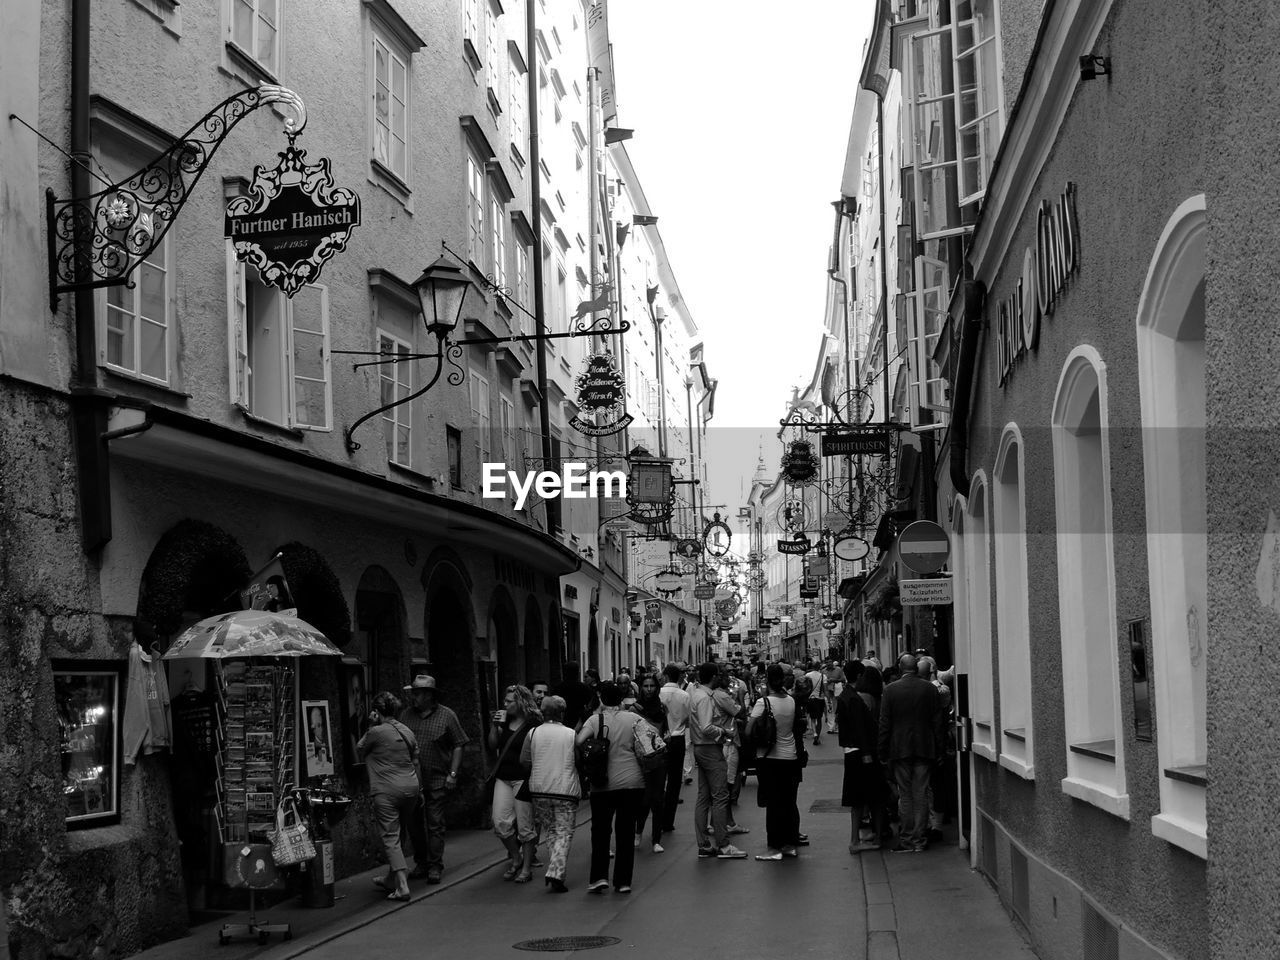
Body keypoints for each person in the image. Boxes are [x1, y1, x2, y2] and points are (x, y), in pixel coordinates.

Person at [398, 674, 471, 883]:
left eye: (418, 693)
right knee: (414, 824)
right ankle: (421, 861)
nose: (414, 697)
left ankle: (435, 865)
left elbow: (459, 743)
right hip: (412, 780)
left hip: (438, 778)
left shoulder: (447, 715)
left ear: (430, 695)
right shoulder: (406, 715)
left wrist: (453, 774)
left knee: (435, 823)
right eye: (413, 693)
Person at [577, 681, 646, 893]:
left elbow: (579, 741)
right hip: (632, 781)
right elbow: (651, 743)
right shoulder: (635, 719)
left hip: (602, 783)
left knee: (600, 831)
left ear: (601, 699)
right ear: (622, 699)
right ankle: (623, 881)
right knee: (625, 832)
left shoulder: (594, 720)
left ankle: (598, 878)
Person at [877, 654, 946, 852]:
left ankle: (907, 838)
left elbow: (885, 723)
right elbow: (937, 721)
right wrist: (939, 749)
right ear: (916, 668)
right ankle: (920, 839)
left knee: (905, 795)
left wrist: (882, 750)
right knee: (921, 793)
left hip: (900, 749)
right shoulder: (928, 689)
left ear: (900, 668)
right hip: (925, 747)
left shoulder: (891, 690)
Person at [358, 692, 419, 900]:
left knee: (391, 836)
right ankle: (391, 878)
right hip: (410, 787)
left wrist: (370, 725)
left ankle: (402, 886)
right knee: (400, 833)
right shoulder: (407, 731)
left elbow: (360, 748)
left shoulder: (376, 732)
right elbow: (415, 760)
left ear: (376, 711)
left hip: (386, 789)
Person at [688, 662, 748, 860]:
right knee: (721, 795)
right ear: (713, 677)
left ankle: (704, 844)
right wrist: (724, 732)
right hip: (709, 748)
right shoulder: (705, 698)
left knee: (703, 797)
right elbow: (707, 727)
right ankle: (723, 844)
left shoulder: (695, 694)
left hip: (699, 747)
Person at [521, 695, 580, 893]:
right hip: (565, 789)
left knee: (552, 830)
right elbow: (577, 760)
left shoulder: (533, 733)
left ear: (543, 712)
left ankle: (555, 867)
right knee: (564, 831)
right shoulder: (571, 734)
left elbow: (524, 761)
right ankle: (556, 872)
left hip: (539, 789)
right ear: (562, 712)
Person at [487, 684, 541, 883]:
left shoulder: (533, 722)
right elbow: (493, 746)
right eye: (505, 701)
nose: (505, 704)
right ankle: (516, 857)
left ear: (520, 702)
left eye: (509, 701)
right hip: (504, 776)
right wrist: (494, 727)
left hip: (523, 778)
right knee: (500, 822)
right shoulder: (504, 720)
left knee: (525, 826)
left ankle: (526, 868)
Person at [747, 663, 801, 861]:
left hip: (770, 758)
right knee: (788, 803)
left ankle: (774, 848)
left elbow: (748, 730)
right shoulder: (791, 701)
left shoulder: (764, 703)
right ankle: (789, 845)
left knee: (773, 804)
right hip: (790, 756)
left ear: (767, 680)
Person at [836, 661, 881, 855]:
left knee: (860, 799)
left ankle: (868, 835)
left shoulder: (845, 695)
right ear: (860, 676)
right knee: (866, 798)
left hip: (853, 751)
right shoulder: (853, 699)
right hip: (861, 753)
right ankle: (855, 840)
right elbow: (860, 729)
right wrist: (867, 754)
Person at [632, 673, 669, 853]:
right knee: (644, 799)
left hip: (660, 756)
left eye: (652, 686)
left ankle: (656, 839)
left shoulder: (662, 707)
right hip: (641, 759)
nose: (648, 689)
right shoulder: (634, 709)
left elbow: (665, 730)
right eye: (645, 686)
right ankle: (638, 831)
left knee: (658, 798)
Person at [712, 665, 749, 837]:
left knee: (721, 785)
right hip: (728, 742)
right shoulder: (722, 696)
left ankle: (721, 822)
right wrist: (740, 697)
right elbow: (740, 713)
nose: (730, 679)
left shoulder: (712, 694)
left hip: (720, 742)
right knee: (727, 784)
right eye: (727, 675)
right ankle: (725, 823)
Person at [658, 663, 691, 833]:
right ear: (678, 677)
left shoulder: (659, 693)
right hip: (677, 738)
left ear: (665, 676)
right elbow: (687, 718)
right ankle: (668, 821)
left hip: (660, 738)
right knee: (674, 781)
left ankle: (658, 816)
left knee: (659, 780)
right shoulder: (684, 695)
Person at [552, 662, 593, 730]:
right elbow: (588, 703)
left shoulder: (558, 687)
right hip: (580, 719)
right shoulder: (584, 688)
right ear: (577, 672)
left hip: (563, 718)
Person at [803, 661, 826, 745]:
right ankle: (818, 736)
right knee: (819, 719)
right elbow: (825, 689)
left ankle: (814, 733)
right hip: (820, 699)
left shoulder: (807, 675)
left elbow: (805, 687)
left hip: (810, 699)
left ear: (812, 666)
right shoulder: (823, 676)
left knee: (812, 718)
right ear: (819, 667)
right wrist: (829, 701)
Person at [823, 659, 847, 735]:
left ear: (832, 662)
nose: (828, 663)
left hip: (837, 692)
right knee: (829, 709)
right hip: (828, 692)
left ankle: (836, 726)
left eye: (829, 662)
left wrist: (835, 680)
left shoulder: (838, 669)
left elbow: (843, 679)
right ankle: (831, 728)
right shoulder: (823, 671)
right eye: (827, 662)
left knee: (837, 710)